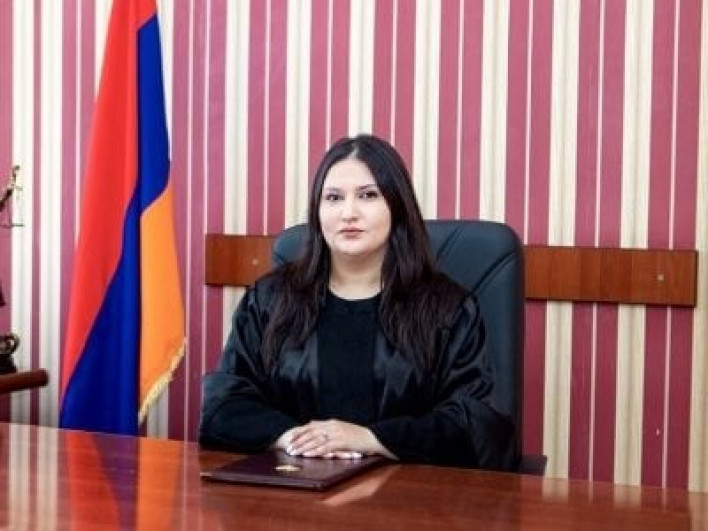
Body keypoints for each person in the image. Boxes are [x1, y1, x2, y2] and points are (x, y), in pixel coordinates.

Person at [199, 134, 518, 470]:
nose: (348, 213)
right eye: (333, 198)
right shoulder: (271, 300)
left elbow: (477, 424)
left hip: (410, 492)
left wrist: (369, 439)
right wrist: (295, 439)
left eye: (367, 195)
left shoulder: (446, 309)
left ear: (397, 206)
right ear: (318, 212)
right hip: (291, 484)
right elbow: (223, 405)